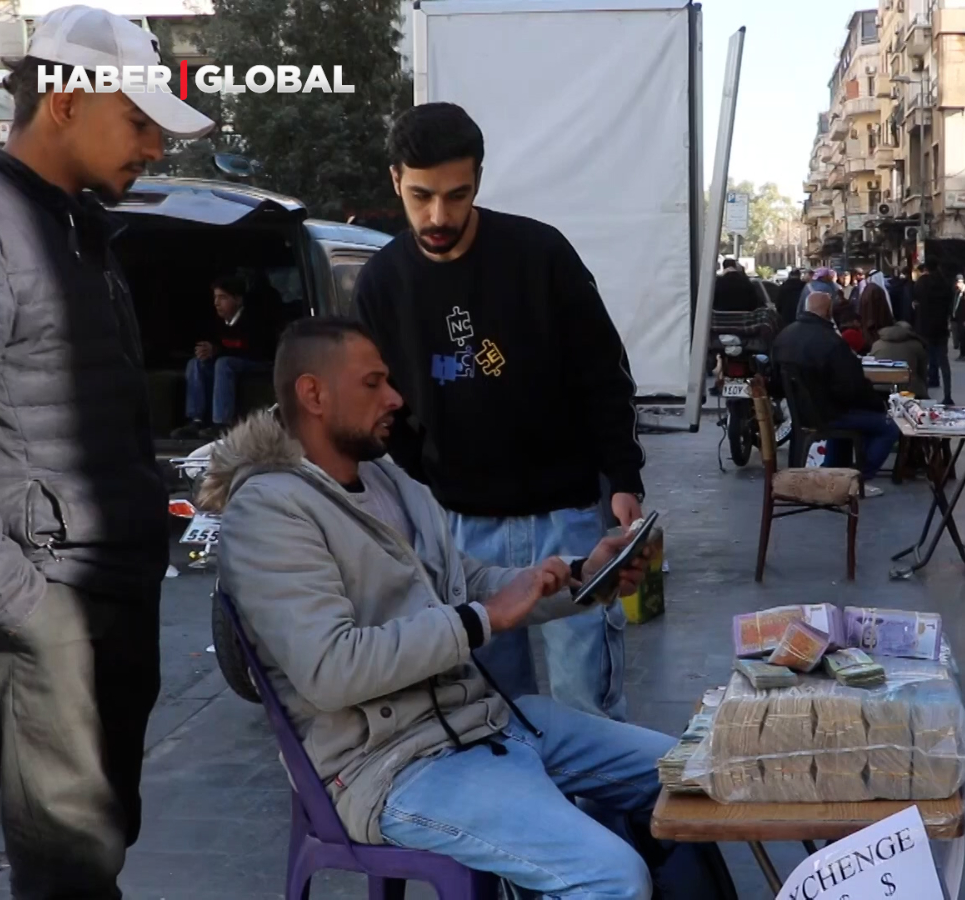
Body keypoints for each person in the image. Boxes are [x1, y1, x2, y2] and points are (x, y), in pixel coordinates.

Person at [209, 317, 722, 898]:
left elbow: (469, 584)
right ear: (314, 394)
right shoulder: (268, 513)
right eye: (373, 383)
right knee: (612, 875)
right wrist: (483, 620)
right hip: (391, 766)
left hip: (484, 723)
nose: (396, 398)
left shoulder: (386, 480)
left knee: (697, 771)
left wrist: (583, 575)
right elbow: (331, 670)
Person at [0, 8, 214, 896]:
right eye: (141, 121)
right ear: (69, 101)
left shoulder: (77, 226)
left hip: (106, 596)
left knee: (96, 853)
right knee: (68, 870)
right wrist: (31, 611)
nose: (155, 147)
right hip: (49, 609)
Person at [354, 103, 643, 722]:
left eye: (456, 196)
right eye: (421, 196)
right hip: (461, 530)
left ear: (479, 180)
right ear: (395, 181)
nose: (439, 217)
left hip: (566, 515)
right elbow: (383, 411)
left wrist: (623, 479)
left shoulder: (540, 254)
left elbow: (604, 374)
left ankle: (602, 822)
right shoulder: (380, 284)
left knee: (584, 702)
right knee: (493, 709)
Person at [773, 292, 900, 497]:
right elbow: (852, 386)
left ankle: (834, 473)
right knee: (888, 427)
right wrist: (877, 404)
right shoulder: (831, 341)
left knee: (847, 420)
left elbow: (775, 381)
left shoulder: (785, 335)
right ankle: (858, 479)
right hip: (829, 413)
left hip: (801, 413)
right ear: (828, 312)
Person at [173, 273, 278, 439]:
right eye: (215, 298)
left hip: (259, 362)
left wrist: (218, 351)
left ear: (238, 300)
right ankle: (196, 420)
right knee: (196, 363)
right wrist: (207, 351)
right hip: (228, 360)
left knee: (224, 363)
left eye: (223, 298)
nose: (217, 303)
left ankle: (221, 423)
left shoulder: (254, 320)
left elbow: (256, 349)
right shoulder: (216, 322)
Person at [911, 263, 954, 405]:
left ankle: (924, 395)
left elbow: (915, 300)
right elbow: (950, 306)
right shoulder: (945, 283)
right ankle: (948, 396)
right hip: (941, 329)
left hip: (924, 329)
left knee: (924, 362)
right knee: (944, 363)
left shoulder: (921, 283)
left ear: (925, 269)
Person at [869, 321, 930, 399]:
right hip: (908, 390)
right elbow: (922, 371)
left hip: (879, 389)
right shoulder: (916, 345)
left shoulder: (877, 344)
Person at [950, 274, 965, 361]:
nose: (958, 284)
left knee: (964, 337)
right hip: (958, 318)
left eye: (960, 282)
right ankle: (962, 353)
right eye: (958, 282)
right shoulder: (957, 292)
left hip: (964, 318)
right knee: (960, 336)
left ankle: (964, 354)